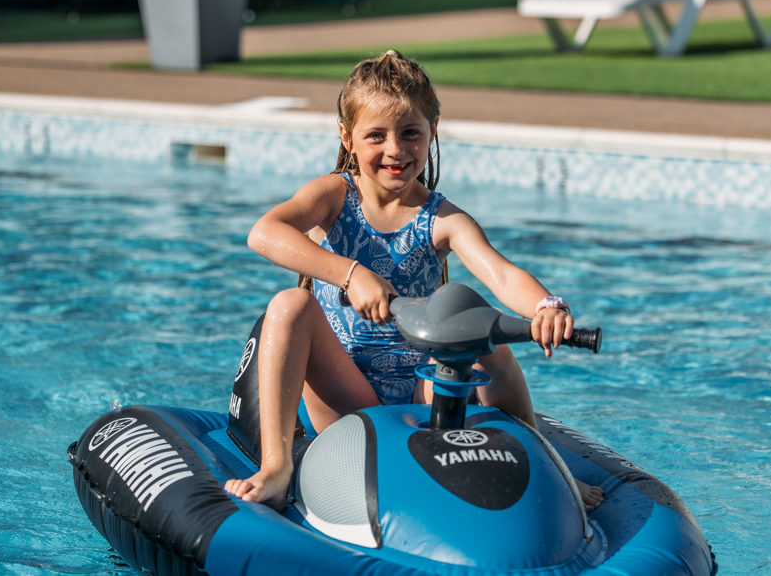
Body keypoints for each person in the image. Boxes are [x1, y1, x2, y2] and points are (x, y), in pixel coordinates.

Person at [224, 50, 603, 512]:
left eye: (410, 134)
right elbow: (263, 233)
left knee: (486, 338)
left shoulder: (442, 218)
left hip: (428, 392)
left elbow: (499, 271)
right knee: (288, 306)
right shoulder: (334, 195)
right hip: (348, 396)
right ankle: (277, 466)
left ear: (432, 133)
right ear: (347, 138)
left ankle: (548, 467)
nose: (395, 150)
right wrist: (350, 273)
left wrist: (547, 306)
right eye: (376, 136)